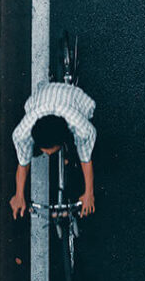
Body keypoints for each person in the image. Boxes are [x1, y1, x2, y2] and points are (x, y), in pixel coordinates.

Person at [8, 80, 96, 219]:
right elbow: (23, 164)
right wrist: (19, 194)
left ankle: (69, 155)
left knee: (80, 148)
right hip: (42, 99)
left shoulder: (82, 128)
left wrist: (89, 193)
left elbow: (86, 159)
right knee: (30, 152)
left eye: (51, 150)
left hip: (73, 99)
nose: (47, 154)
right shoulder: (21, 134)